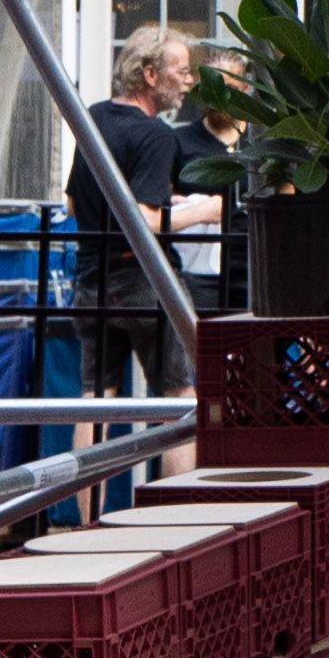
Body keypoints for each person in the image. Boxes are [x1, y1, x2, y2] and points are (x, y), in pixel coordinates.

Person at [77, 25, 218, 399]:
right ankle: (191, 444)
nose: (189, 81)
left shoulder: (94, 117)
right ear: (151, 75)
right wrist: (206, 211)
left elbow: (75, 202)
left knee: (95, 398)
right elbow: (144, 220)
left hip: (92, 279)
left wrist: (169, 200)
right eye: (182, 71)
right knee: (180, 394)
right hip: (142, 280)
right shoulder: (157, 135)